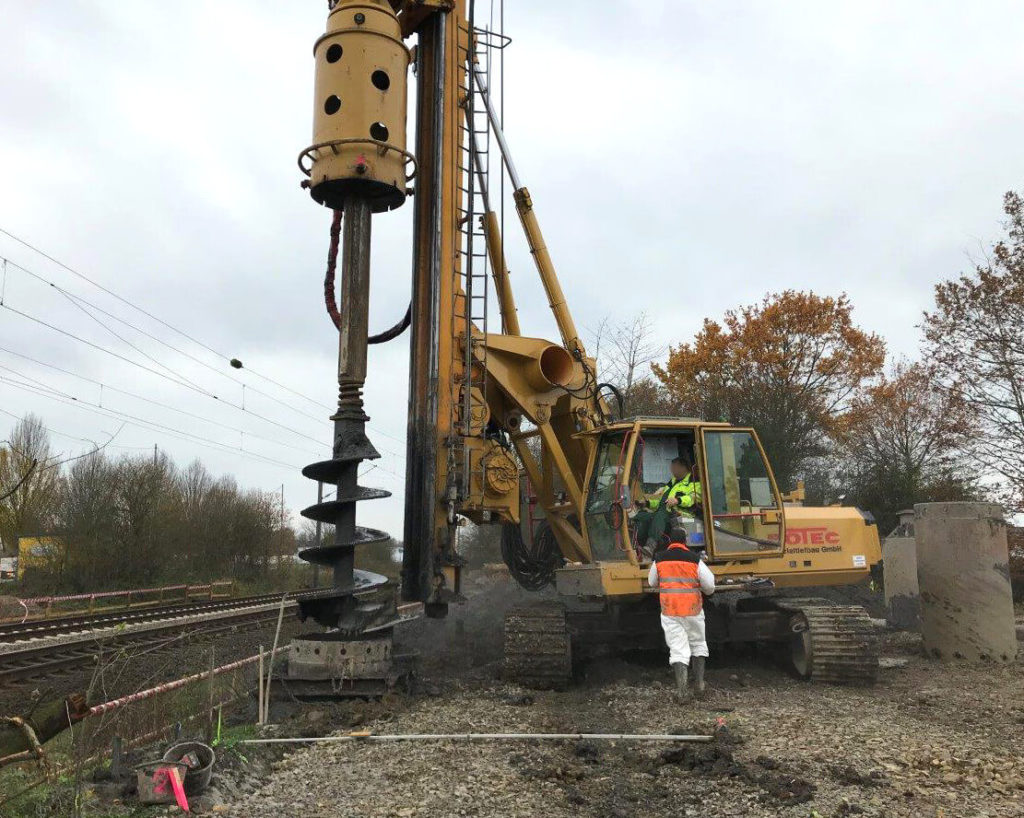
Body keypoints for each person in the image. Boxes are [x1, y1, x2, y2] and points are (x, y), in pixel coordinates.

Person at [647, 526, 715, 702]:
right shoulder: (695, 560)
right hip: (693, 610)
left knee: (678, 649)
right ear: (686, 541)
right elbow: (709, 587)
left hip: (670, 611)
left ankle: (682, 692)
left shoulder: (659, 559)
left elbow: (652, 582)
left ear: (670, 541)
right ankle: (699, 685)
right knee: (698, 643)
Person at [633, 456, 702, 549]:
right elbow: (662, 502)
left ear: (683, 467)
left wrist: (678, 500)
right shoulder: (672, 482)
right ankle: (638, 546)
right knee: (641, 516)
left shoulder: (694, 483)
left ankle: (651, 545)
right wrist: (647, 503)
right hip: (665, 513)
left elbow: (692, 498)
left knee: (660, 515)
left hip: (681, 515)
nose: (671, 470)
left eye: (674, 467)